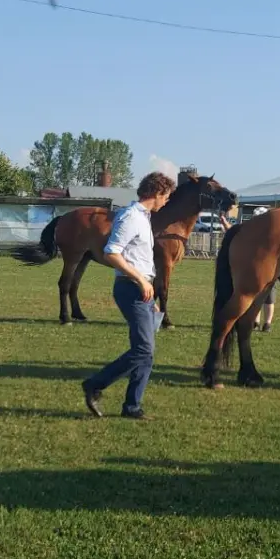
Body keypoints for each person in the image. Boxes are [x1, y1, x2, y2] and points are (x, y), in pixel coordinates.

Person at [82, 171, 176, 419]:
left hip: (143, 288)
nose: (166, 201)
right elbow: (112, 253)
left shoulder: (143, 218)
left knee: (146, 351)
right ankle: (95, 384)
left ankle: (132, 406)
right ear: (157, 194)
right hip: (131, 288)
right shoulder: (131, 217)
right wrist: (140, 280)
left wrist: (149, 289)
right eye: (166, 196)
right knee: (144, 349)